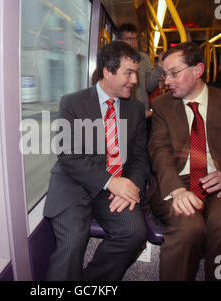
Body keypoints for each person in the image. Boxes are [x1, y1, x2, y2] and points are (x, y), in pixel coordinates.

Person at [147, 42, 221, 281]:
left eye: (174, 73)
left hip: (220, 183)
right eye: (164, 74)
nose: (166, 81)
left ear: (198, 70)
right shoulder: (161, 106)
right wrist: (176, 190)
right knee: (188, 228)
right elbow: (159, 151)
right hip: (178, 181)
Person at [44, 41, 149, 281]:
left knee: (134, 233)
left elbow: (140, 157)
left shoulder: (135, 109)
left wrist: (130, 184)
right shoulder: (72, 103)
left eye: (136, 73)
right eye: (128, 73)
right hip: (74, 183)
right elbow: (68, 154)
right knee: (72, 243)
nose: (134, 80)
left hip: (114, 188)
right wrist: (110, 181)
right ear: (107, 72)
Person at [117, 23, 162, 119]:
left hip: (142, 112)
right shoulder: (114, 61)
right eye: (129, 39)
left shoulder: (143, 59)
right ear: (120, 41)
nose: (133, 42)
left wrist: (159, 67)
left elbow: (149, 86)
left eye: (135, 39)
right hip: (121, 113)